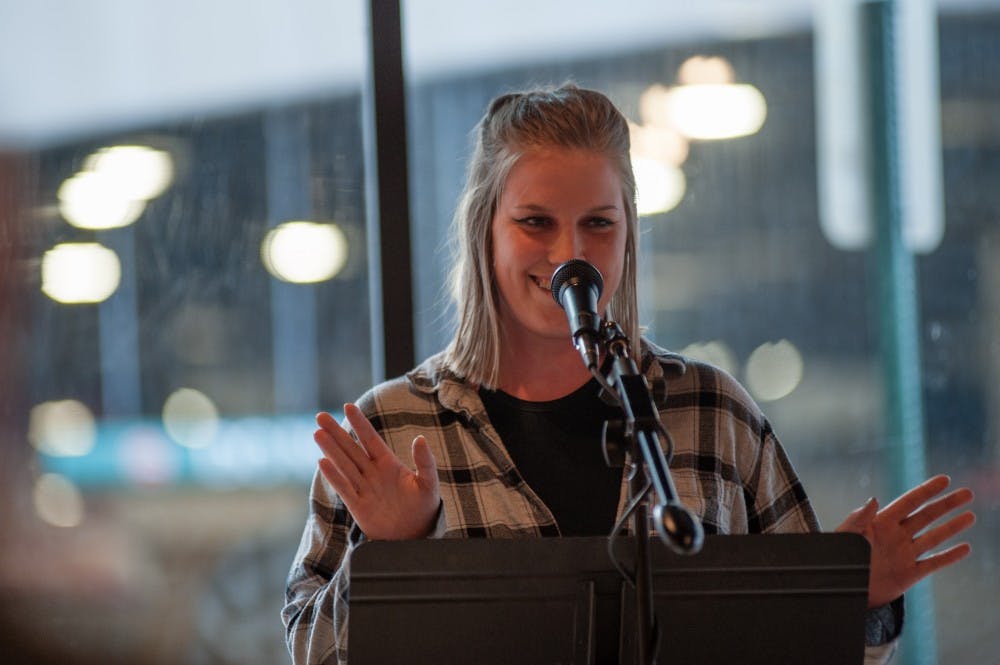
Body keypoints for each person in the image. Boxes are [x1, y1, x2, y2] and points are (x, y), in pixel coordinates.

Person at [282, 84, 976, 665]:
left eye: (598, 224)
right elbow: (307, 648)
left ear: (629, 235)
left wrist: (855, 599)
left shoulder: (713, 412)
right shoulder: (393, 426)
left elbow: (806, 647)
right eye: (535, 222)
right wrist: (397, 554)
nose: (568, 255)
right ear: (484, 231)